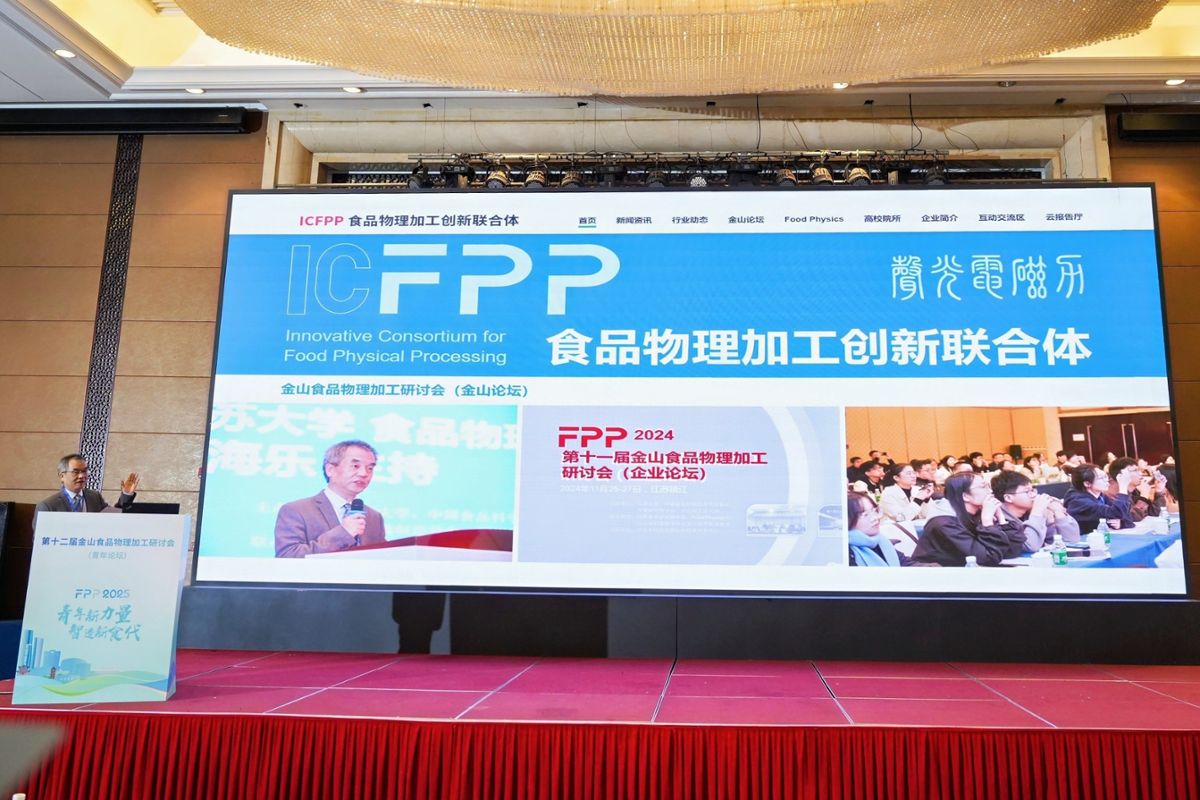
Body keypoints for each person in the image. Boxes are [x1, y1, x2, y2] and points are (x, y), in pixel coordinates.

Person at [275, 439, 386, 557]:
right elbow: (287, 556)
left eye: (370, 468)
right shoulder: (296, 510)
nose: (364, 473)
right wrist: (343, 533)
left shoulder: (374, 517)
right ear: (330, 470)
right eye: (355, 466)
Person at [911, 472, 1026, 567]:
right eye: (983, 487)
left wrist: (1001, 520)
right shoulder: (944, 524)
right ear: (965, 496)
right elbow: (987, 559)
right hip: (936, 578)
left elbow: (1012, 551)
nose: (990, 491)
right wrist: (987, 523)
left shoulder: (976, 513)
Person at [34, 454, 139, 528]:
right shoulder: (48, 506)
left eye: (84, 471)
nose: (81, 476)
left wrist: (126, 494)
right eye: (75, 472)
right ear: (62, 476)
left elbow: (113, 517)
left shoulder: (94, 497)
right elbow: (39, 541)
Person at [991, 470, 1079, 551]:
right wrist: (1037, 512)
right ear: (1008, 498)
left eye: (1033, 490)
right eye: (1027, 491)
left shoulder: (1033, 512)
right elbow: (1030, 546)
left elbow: (1072, 541)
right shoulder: (999, 521)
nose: (1034, 495)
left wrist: (1058, 512)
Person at [1062, 463, 1135, 535]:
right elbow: (1116, 512)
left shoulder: (1100, 496)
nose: (1106, 480)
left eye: (1106, 476)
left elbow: (1125, 515)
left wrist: (1121, 523)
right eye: (1101, 478)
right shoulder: (1079, 502)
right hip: (1081, 539)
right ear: (1087, 483)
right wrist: (1123, 487)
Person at [846, 492, 906, 566]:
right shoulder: (846, 554)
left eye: (874, 510)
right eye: (865, 515)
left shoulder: (880, 540)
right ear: (848, 520)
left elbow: (905, 563)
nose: (875, 517)